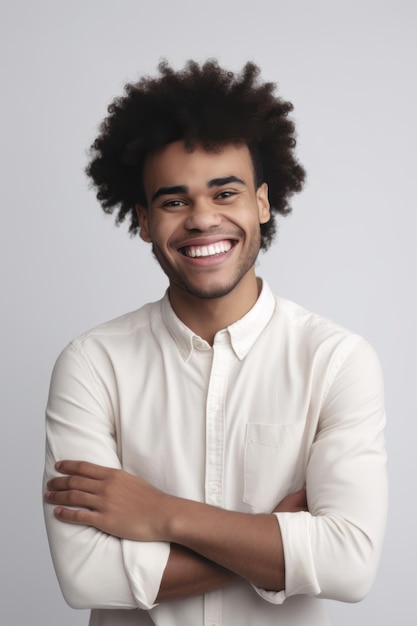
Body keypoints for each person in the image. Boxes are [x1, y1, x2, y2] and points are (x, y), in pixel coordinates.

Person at [43, 60, 388, 626]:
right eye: (174, 201)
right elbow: (85, 576)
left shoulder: (337, 361)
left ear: (261, 203)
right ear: (144, 221)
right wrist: (277, 541)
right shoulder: (91, 365)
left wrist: (162, 515)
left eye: (225, 193)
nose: (203, 219)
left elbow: (351, 563)